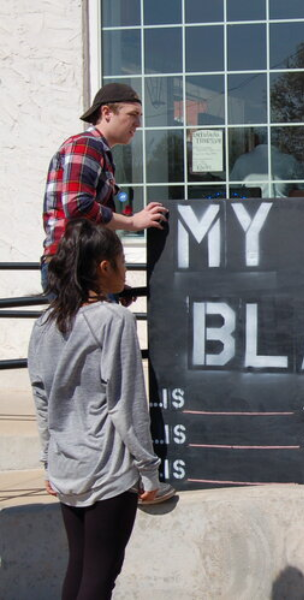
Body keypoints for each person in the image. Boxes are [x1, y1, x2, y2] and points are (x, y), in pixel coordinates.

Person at [29, 219, 173, 599]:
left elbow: (42, 400)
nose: (127, 272)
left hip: (66, 466)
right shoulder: (115, 320)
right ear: (104, 267)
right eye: (123, 263)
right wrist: (149, 471)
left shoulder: (44, 322)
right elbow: (125, 403)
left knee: (79, 568)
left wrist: (48, 460)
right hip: (107, 470)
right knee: (99, 579)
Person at [41, 83, 168, 292]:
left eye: (140, 116)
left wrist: (114, 277)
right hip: (75, 265)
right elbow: (78, 206)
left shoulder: (97, 149)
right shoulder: (86, 144)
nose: (138, 123)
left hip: (84, 264)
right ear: (107, 112)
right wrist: (132, 222)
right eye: (132, 114)